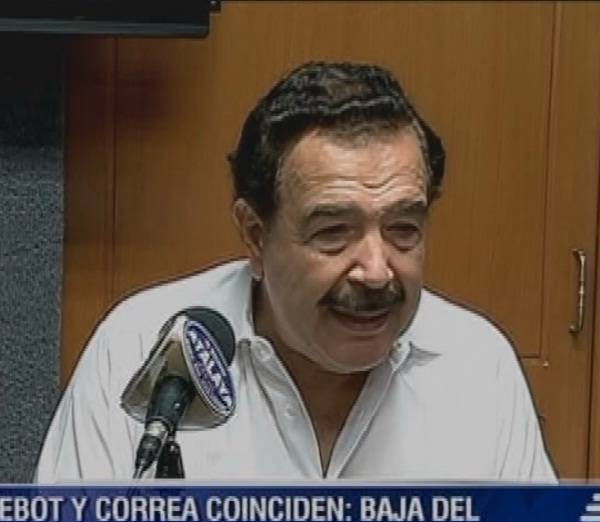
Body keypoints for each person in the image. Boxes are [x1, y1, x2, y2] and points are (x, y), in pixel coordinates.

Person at [35, 61, 556, 482]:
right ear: (255, 236)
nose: (377, 272)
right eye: (334, 232)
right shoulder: (140, 346)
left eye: (403, 228)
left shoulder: (477, 366)